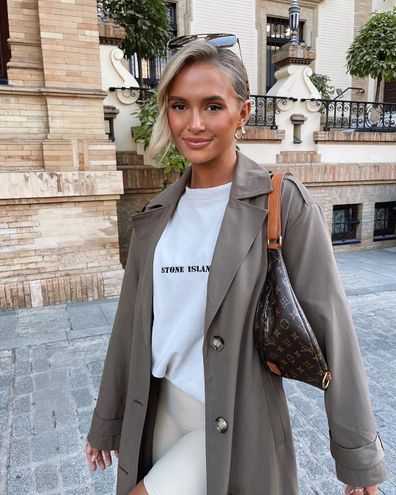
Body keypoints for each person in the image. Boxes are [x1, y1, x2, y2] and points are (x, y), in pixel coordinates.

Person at [85, 36, 388, 495]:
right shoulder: (155, 217)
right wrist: (107, 422)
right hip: (159, 412)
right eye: (180, 106)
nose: (194, 124)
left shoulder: (281, 202)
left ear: (242, 113)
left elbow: (334, 329)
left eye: (212, 106)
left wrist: (358, 457)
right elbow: (129, 329)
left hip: (234, 419)